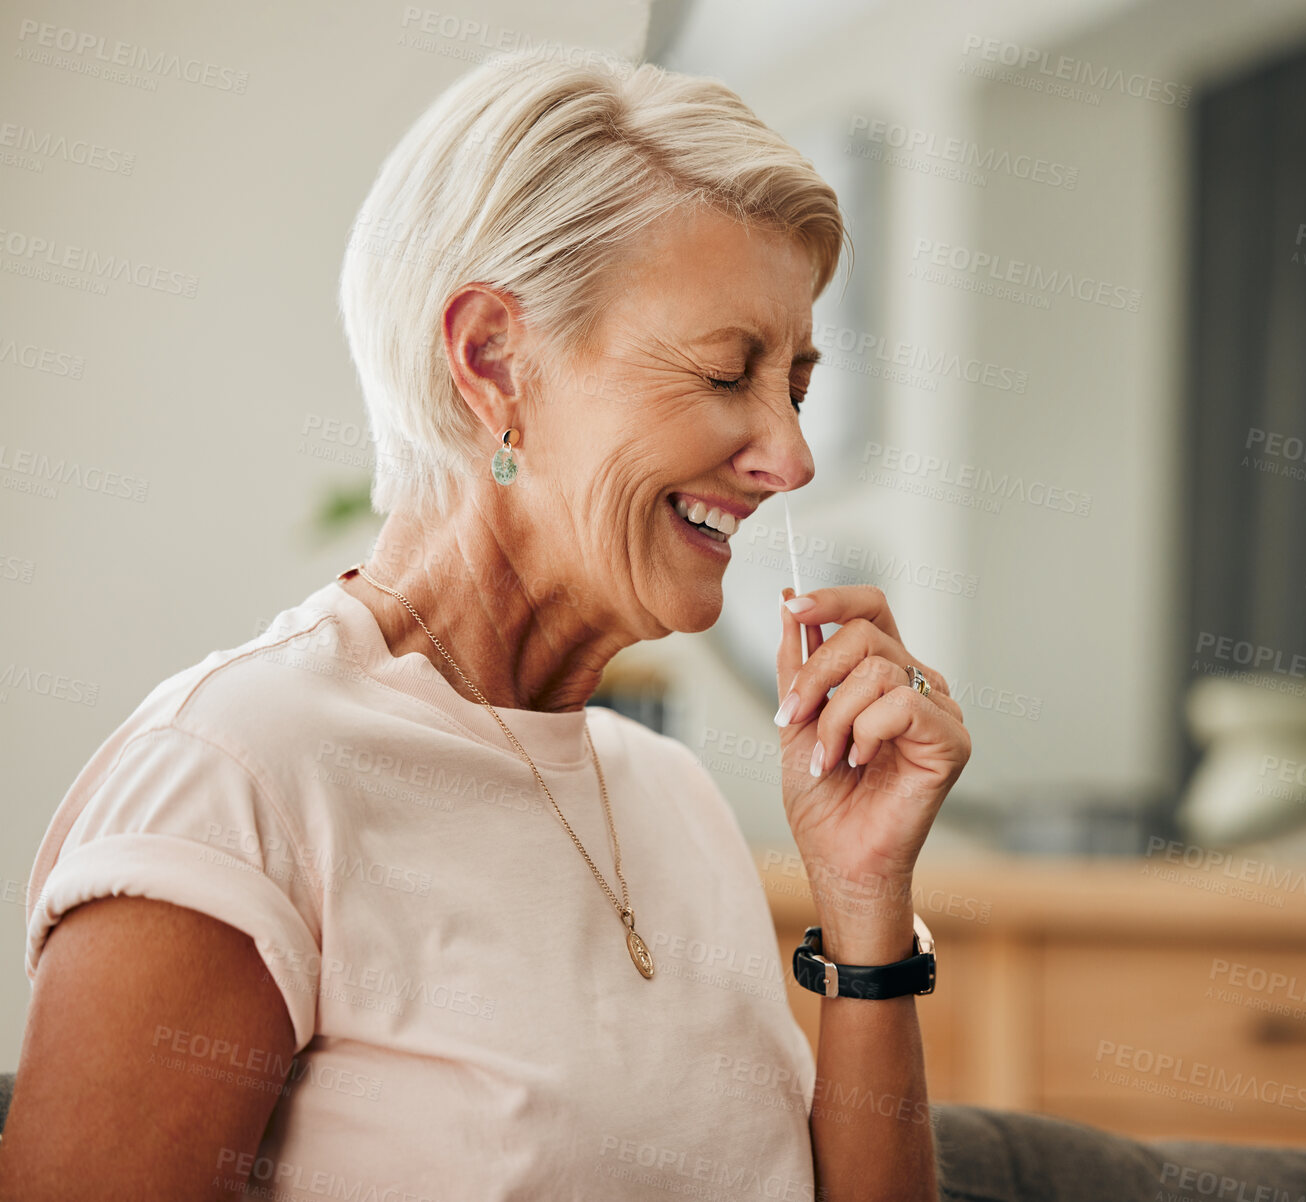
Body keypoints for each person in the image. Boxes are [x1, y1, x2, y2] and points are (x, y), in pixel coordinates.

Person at [0, 46, 970, 1201]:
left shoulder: (674, 795)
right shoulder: (232, 778)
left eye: (797, 385)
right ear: (493, 360)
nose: (792, 456)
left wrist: (864, 904)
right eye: (728, 373)